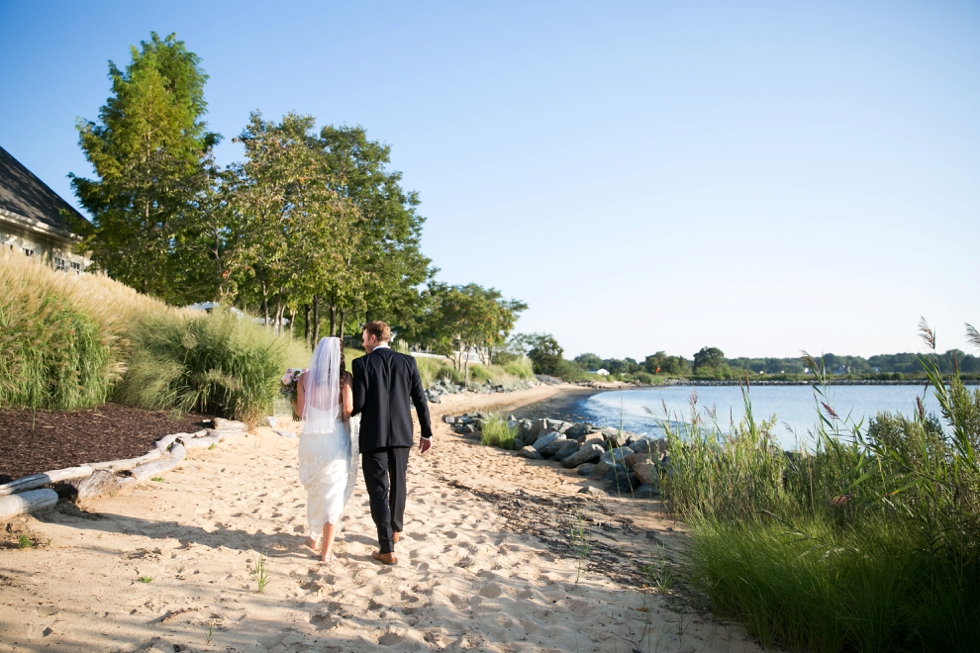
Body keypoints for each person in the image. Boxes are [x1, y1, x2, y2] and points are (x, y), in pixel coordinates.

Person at [351, 321, 432, 565]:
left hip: (373, 436)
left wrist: (342, 405)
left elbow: (359, 404)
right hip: (401, 435)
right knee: (399, 482)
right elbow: (420, 399)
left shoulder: (361, 363)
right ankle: (395, 529)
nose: (363, 342)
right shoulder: (408, 362)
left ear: (373, 338)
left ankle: (386, 548)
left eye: (365, 338)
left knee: (378, 489)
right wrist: (426, 433)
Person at [292, 337, 359, 564]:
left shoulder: (304, 377)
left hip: (310, 441)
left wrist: (292, 400)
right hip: (334, 441)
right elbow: (349, 408)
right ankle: (326, 552)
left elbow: (301, 412)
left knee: (317, 490)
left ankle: (313, 537)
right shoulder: (344, 378)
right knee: (333, 492)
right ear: (339, 356)